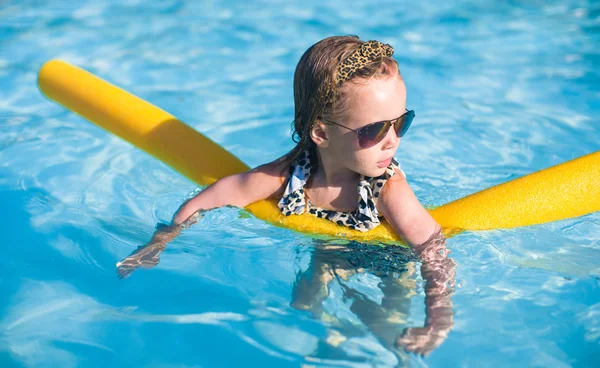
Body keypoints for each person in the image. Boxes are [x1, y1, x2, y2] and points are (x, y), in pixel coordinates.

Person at [116, 35, 455, 356]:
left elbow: (433, 250)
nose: (392, 140)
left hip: (389, 262)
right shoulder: (292, 173)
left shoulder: (387, 189)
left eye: (400, 123)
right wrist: (160, 241)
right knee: (303, 306)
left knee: (388, 325)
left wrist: (438, 320)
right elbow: (216, 196)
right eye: (375, 130)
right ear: (321, 133)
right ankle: (324, 346)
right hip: (327, 250)